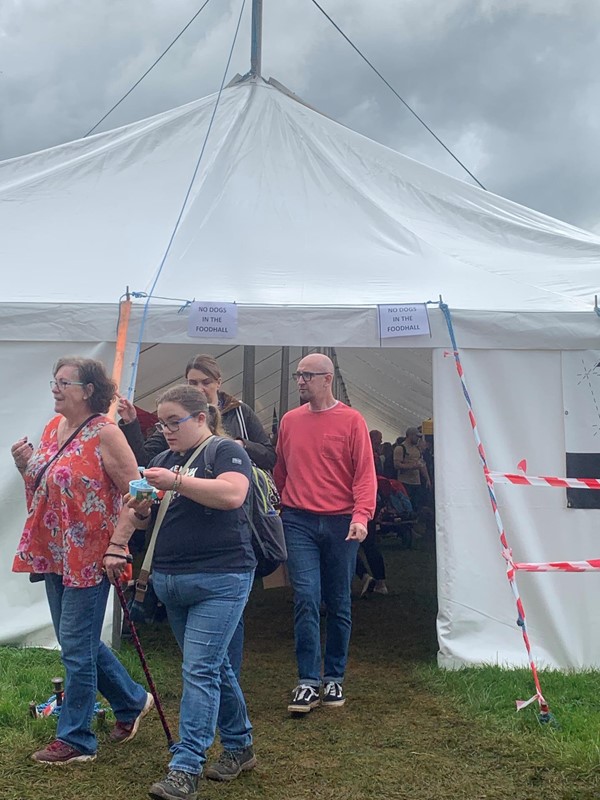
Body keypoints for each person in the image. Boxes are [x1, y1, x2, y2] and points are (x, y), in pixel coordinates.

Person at [106, 385, 256, 800]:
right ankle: (240, 744)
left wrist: (175, 482)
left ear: (202, 418)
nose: (167, 430)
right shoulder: (159, 460)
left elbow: (232, 494)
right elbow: (137, 514)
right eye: (163, 422)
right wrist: (133, 518)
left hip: (222, 578)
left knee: (199, 670)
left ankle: (185, 766)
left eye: (176, 422)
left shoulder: (225, 451)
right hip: (171, 580)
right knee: (213, 667)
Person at [11, 357, 152, 766]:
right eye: (53, 381)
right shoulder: (53, 429)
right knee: (80, 642)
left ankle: (76, 739)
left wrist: (119, 544)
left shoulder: (106, 434)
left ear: (89, 390)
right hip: (55, 552)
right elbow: (47, 489)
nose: (55, 388)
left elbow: (141, 494)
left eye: (64, 382)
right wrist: (25, 466)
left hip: (92, 555)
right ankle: (131, 700)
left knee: (74, 646)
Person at [118, 353, 275, 678]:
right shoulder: (168, 438)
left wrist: (240, 446)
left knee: (204, 666)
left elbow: (264, 460)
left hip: (224, 556)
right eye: (192, 382)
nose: (199, 387)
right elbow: (146, 462)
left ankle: (206, 724)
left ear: (217, 384)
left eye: (205, 382)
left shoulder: (235, 423)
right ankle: (234, 726)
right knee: (207, 667)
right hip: (174, 569)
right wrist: (141, 506)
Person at [274, 353, 377, 714]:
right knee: (305, 597)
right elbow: (281, 468)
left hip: (341, 522)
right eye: (297, 375)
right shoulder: (289, 421)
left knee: (338, 600)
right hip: (298, 520)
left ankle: (334, 676)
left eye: (306, 375)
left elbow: (365, 474)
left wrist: (361, 516)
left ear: (327, 379)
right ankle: (307, 681)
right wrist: (280, 506)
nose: (299, 381)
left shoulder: (352, 421)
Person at [393, 426, 430, 513]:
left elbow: (422, 465)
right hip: (405, 483)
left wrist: (427, 479)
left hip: (416, 482)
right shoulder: (400, 448)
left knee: (416, 505)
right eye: (417, 436)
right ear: (411, 436)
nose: (418, 439)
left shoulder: (417, 449)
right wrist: (412, 466)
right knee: (406, 505)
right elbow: (397, 465)